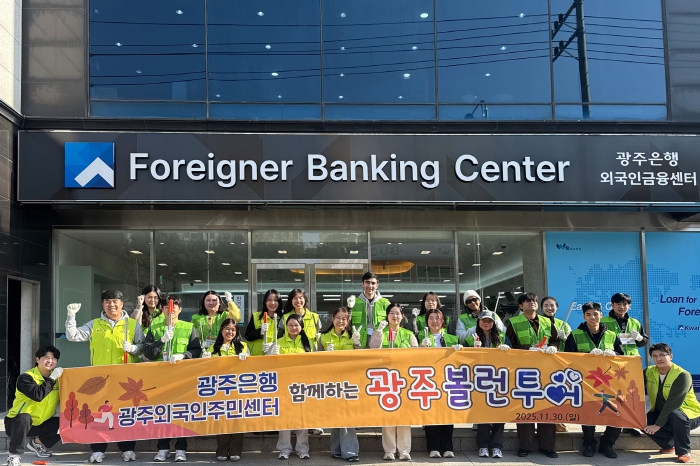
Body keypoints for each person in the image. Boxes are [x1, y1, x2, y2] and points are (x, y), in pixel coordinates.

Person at [65, 290, 145, 463]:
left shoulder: (132, 324)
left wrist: (133, 349)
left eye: (115, 301)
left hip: (125, 379)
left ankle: (127, 448)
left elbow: (142, 347)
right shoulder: (95, 324)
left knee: (125, 414)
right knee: (98, 415)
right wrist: (71, 316)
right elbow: (73, 336)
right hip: (100, 379)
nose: (111, 305)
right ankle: (98, 450)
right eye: (107, 301)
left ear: (121, 304)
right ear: (103, 304)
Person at [143, 295, 202, 462]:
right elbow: (148, 352)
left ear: (180, 309)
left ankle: (181, 449)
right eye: (167, 307)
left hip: (182, 378)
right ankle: (162, 448)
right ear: (162, 309)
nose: (171, 310)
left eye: (174, 307)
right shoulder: (154, 327)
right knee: (162, 413)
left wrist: (184, 355)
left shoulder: (188, 327)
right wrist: (161, 341)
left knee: (181, 413)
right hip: (160, 378)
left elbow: (196, 350)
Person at [564, 302, 623, 458]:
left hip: (610, 381)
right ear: (584, 316)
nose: (593, 317)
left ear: (601, 315)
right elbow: (567, 359)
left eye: (596, 314)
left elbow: (623, 357)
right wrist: (586, 356)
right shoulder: (575, 334)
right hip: (586, 381)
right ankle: (588, 444)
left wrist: (615, 354)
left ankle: (607, 444)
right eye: (588, 314)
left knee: (617, 411)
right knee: (588, 414)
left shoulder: (612, 335)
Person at [505, 292, 560, 459]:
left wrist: (554, 347)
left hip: (546, 370)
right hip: (523, 370)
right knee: (525, 407)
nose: (532, 303)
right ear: (521, 306)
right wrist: (527, 349)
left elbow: (555, 339)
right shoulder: (513, 322)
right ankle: (525, 446)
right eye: (528, 301)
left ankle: (547, 446)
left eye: (534, 301)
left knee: (547, 406)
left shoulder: (547, 321)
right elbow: (509, 345)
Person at [369, 303, 418, 461]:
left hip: (404, 379)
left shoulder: (408, 334)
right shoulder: (381, 331)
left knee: (404, 416)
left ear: (402, 316)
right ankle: (389, 450)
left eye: (397, 313)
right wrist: (378, 332)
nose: (394, 316)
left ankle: (404, 450)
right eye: (391, 313)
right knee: (388, 415)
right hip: (386, 379)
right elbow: (373, 350)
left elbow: (417, 355)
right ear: (387, 316)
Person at [5, 346, 63, 466]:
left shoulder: (58, 380)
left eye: (54, 358)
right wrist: (52, 378)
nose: (50, 361)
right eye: (47, 358)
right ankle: (13, 456)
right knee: (24, 417)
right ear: (37, 359)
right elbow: (38, 395)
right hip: (16, 424)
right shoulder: (26, 377)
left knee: (66, 422)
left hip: (40, 423)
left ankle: (37, 443)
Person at [601, 292, 649, 437]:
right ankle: (613, 425)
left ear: (629, 306)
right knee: (613, 395)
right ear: (612, 305)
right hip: (613, 362)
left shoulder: (634, 322)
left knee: (630, 395)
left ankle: (628, 424)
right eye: (618, 304)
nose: (622, 307)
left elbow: (643, 341)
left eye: (625, 304)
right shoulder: (603, 321)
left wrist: (640, 338)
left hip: (631, 363)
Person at [643, 343, 700, 464]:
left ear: (671, 356)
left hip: (689, 414)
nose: (659, 358)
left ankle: (684, 451)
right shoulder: (649, 371)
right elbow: (632, 381)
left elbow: (673, 404)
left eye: (662, 355)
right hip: (663, 413)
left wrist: (658, 425)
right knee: (641, 420)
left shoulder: (682, 375)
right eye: (655, 356)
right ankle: (669, 445)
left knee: (676, 416)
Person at [465, 310, 511, 458]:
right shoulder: (471, 338)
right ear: (478, 322)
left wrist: (507, 350)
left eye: (489, 321)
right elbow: (462, 357)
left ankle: (497, 446)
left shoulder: (502, 337)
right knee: (482, 414)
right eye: (483, 320)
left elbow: (513, 356)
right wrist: (471, 349)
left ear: (494, 323)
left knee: (499, 413)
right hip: (479, 380)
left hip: (499, 379)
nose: (486, 323)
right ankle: (483, 445)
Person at [268, 314, 314, 459]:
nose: (293, 328)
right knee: (285, 418)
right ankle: (284, 448)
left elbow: (314, 363)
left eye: (296, 325)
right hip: (283, 385)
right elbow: (268, 365)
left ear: (301, 327)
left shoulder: (308, 343)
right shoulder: (278, 342)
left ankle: (302, 449)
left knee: (302, 417)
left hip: (302, 386)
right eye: (290, 325)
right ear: (286, 327)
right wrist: (270, 354)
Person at [203, 319, 248, 462]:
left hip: (238, 389)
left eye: (233, 330)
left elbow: (250, 368)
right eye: (227, 328)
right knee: (221, 420)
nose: (230, 332)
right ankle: (222, 450)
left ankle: (235, 450)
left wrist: (247, 359)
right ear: (221, 330)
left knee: (237, 420)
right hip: (219, 389)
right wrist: (204, 359)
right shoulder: (212, 348)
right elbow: (205, 370)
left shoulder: (243, 346)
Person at [318, 307, 360, 462]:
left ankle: (350, 451)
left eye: (344, 318)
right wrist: (324, 355)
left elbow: (361, 358)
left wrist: (357, 344)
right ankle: (336, 449)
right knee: (336, 415)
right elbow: (316, 360)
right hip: (331, 381)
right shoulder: (323, 337)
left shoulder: (352, 336)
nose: (340, 321)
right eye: (338, 318)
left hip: (349, 381)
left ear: (348, 321)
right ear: (332, 319)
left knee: (347, 415)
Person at [420, 307, 459, 459]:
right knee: (431, 414)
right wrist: (420, 348)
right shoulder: (420, 336)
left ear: (443, 321)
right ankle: (433, 447)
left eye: (438, 318)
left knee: (448, 414)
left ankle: (447, 447)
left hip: (447, 380)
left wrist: (459, 350)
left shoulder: (453, 338)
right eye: (431, 318)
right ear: (426, 321)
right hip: (428, 380)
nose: (434, 321)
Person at [349, 272, 391, 348]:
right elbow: (347, 323)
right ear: (362, 284)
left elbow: (394, 323)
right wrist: (349, 308)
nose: (370, 286)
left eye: (373, 283)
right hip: (359, 343)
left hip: (380, 344)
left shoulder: (385, 303)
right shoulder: (354, 302)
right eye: (367, 282)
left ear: (377, 285)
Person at [245, 289, 280, 356]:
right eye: (269, 300)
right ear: (265, 302)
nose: (272, 303)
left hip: (275, 357)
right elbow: (248, 336)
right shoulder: (256, 316)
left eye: (275, 300)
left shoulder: (283, 319)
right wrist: (260, 332)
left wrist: (272, 346)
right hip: (256, 356)